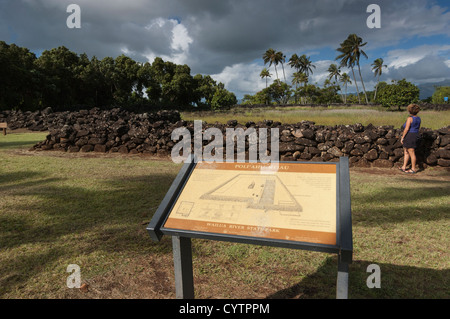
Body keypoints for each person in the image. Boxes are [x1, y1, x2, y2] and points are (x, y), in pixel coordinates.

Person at [399, 104, 421, 174]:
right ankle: (404, 167)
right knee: (406, 151)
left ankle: (413, 169)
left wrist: (402, 137)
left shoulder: (410, 118)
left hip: (410, 135)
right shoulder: (418, 118)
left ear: (409, 111)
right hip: (415, 135)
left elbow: (406, 129)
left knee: (411, 152)